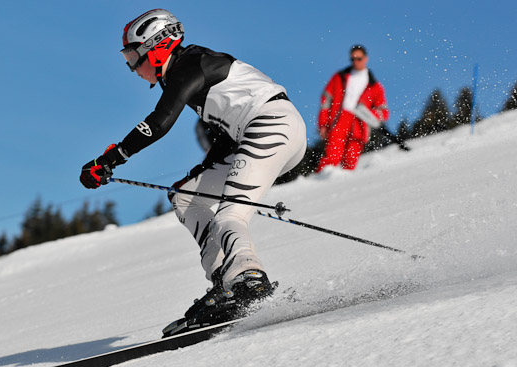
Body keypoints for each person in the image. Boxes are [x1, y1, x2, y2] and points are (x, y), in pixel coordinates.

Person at [79, 9, 307, 335]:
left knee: (230, 217)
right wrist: (202, 170)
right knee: (186, 196)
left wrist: (112, 158)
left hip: (272, 125)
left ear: (157, 46)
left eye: (134, 56)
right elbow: (229, 132)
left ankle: (249, 279)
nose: (132, 68)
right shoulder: (190, 69)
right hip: (263, 130)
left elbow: (160, 121)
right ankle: (226, 283)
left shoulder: (189, 64)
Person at [315, 45, 389, 173]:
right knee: (331, 159)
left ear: (366, 59)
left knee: (351, 161)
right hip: (339, 120)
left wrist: (367, 113)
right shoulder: (339, 77)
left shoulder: (375, 86)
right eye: (353, 59)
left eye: (359, 58)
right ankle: (318, 186)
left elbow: (383, 112)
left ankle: (345, 188)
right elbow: (326, 101)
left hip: (359, 124)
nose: (356, 62)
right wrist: (323, 124)